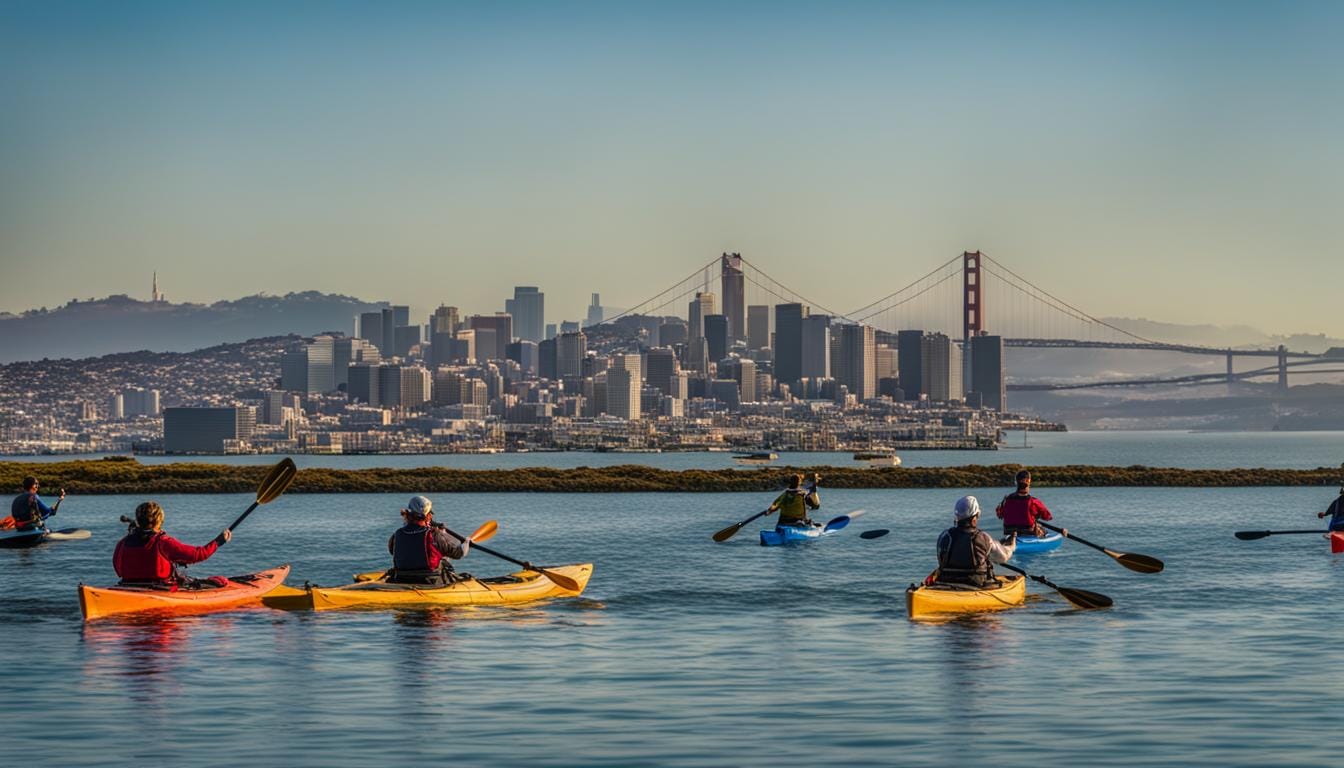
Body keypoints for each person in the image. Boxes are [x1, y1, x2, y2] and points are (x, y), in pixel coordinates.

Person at [113, 501, 231, 586]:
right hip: (160, 589)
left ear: (138, 520)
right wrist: (218, 541)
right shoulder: (163, 542)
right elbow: (198, 555)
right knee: (221, 582)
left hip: (126, 586)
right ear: (159, 520)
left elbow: (118, 568)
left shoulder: (123, 543)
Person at [935, 496, 1016, 587]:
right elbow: (1003, 557)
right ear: (975, 517)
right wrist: (1011, 546)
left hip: (946, 581)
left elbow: (941, 560)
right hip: (974, 584)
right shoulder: (983, 538)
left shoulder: (944, 536)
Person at [387, 495, 470, 585]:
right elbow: (458, 554)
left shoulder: (397, 534)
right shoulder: (434, 534)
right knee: (444, 557)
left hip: (401, 579)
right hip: (430, 581)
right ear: (428, 516)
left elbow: (393, 551)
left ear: (408, 514)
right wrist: (466, 543)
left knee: (439, 552)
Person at [995, 469, 1062, 538]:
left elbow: (999, 514)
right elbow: (1047, 517)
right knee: (1042, 530)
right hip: (1028, 531)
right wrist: (1036, 516)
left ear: (1017, 482)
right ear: (1028, 481)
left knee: (1037, 525)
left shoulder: (1006, 500)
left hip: (1010, 532)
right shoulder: (1033, 501)